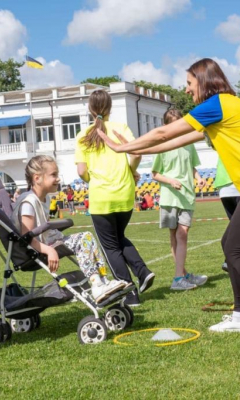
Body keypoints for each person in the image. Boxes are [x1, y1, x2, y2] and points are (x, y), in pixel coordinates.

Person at [97, 58, 240, 346]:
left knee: (236, 248)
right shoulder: (226, 107)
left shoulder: (219, 103)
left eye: (190, 83)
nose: (187, 88)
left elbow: (163, 131)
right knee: (230, 245)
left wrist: (121, 147)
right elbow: (174, 140)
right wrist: (129, 148)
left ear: (204, 81)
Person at [75, 90, 155, 308]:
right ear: (110, 108)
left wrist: (90, 177)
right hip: (125, 192)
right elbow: (136, 154)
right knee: (119, 237)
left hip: (102, 195)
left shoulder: (84, 135)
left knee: (110, 246)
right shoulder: (121, 128)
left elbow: (82, 171)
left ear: (90, 109)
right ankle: (142, 271)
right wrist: (131, 170)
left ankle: (129, 293)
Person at [13, 156, 127, 302]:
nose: (58, 179)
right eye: (53, 175)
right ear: (37, 178)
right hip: (38, 249)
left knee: (87, 236)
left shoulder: (45, 198)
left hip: (50, 242)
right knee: (83, 239)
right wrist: (49, 250)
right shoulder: (28, 202)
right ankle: (97, 285)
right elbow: (26, 237)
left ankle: (102, 281)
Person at [151, 108, 208, 290]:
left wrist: (198, 178)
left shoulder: (189, 143)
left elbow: (192, 166)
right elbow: (155, 174)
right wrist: (170, 181)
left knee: (182, 234)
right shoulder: (163, 146)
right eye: (173, 124)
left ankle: (181, 277)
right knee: (175, 237)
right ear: (166, 126)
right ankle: (180, 277)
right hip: (169, 197)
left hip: (187, 196)